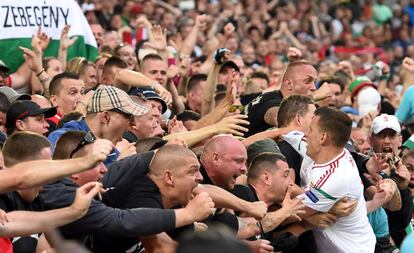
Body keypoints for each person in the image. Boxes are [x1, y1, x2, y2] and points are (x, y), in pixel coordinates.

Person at [39, 130, 215, 251]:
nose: (104, 169)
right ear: (75, 168)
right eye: (96, 163)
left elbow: (119, 169)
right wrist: (188, 214)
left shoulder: (89, 187)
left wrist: (162, 150)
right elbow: (121, 220)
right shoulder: (62, 194)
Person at [0, 132, 103, 252]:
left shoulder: (37, 199)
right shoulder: (5, 198)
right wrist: (85, 162)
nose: (48, 175)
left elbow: (13, 224)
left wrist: (76, 210)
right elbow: (8, 224)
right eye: (45, 167)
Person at [302, 106, 376, 252]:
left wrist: (309, 216)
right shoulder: (338, 152)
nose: (305, 134)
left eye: (310, 129)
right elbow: (291, 135)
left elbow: (290, 213)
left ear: (323, 138)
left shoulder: (334, 180)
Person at [48, 85, 149, 165]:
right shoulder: (62, 138)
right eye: (129, 118)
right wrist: (118, 166)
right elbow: (62, 183)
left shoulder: (112, 152)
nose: (131, 126)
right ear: (105, 117)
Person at [244, 61, 322, 137]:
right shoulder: (272, 101)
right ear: (289, 84)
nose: (314, 88)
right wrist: (311, 98)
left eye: (314, 82)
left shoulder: (275, 95)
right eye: (307, 81)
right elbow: (276, 116)